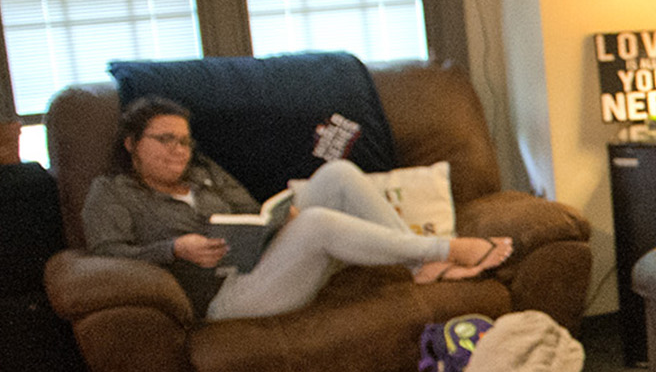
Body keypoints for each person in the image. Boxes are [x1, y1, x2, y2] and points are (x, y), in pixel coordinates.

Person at [81, 96, 512, 321]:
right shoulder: (112, 193)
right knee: (317, 223)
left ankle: (417, 265)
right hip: (225, 297)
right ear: (132, 144)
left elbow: (249, 210)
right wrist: (174, 249)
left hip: (262, 262)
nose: (178, 150)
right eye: (164, 139)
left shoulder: (203, 172)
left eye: (184, 140)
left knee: (337, 175)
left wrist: (275, 218)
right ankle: (444, 250)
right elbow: (105, 254)